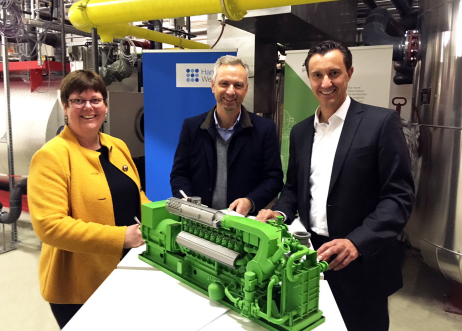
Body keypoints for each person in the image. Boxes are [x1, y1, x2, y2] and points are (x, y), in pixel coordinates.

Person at [256, 41, 414, 331]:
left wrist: (357, 242)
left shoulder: (380, 123)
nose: (325, 82)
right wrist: (279, 214)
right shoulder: (301, 132)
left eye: (334, 73)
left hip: (362, 262)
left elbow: (398, 197)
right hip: (308, 256)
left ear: (349, 73)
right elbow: (293, 189)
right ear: (309, 78)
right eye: (317, 75)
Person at [28, 70, 150, 329]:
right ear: (65, 106)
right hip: (78, 286)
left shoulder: (117, 146)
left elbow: (135, 195)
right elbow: (50, 226)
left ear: (105, 106)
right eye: (78, 100)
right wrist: (121, 237)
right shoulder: (51, 156)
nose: (88, 107)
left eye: (95, 100)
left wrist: (161, 218)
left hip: (128, 269)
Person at [170, 55, 283, 216]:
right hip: (199, 220)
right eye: (224, 83)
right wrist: (185, 199)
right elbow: (179, 174)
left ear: (246, 89)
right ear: (213, 85)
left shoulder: (264, 129)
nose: (231, 91)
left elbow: (274, 178)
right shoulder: (192, 127)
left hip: (243, 223)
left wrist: (250, 201)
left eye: (238, 85)